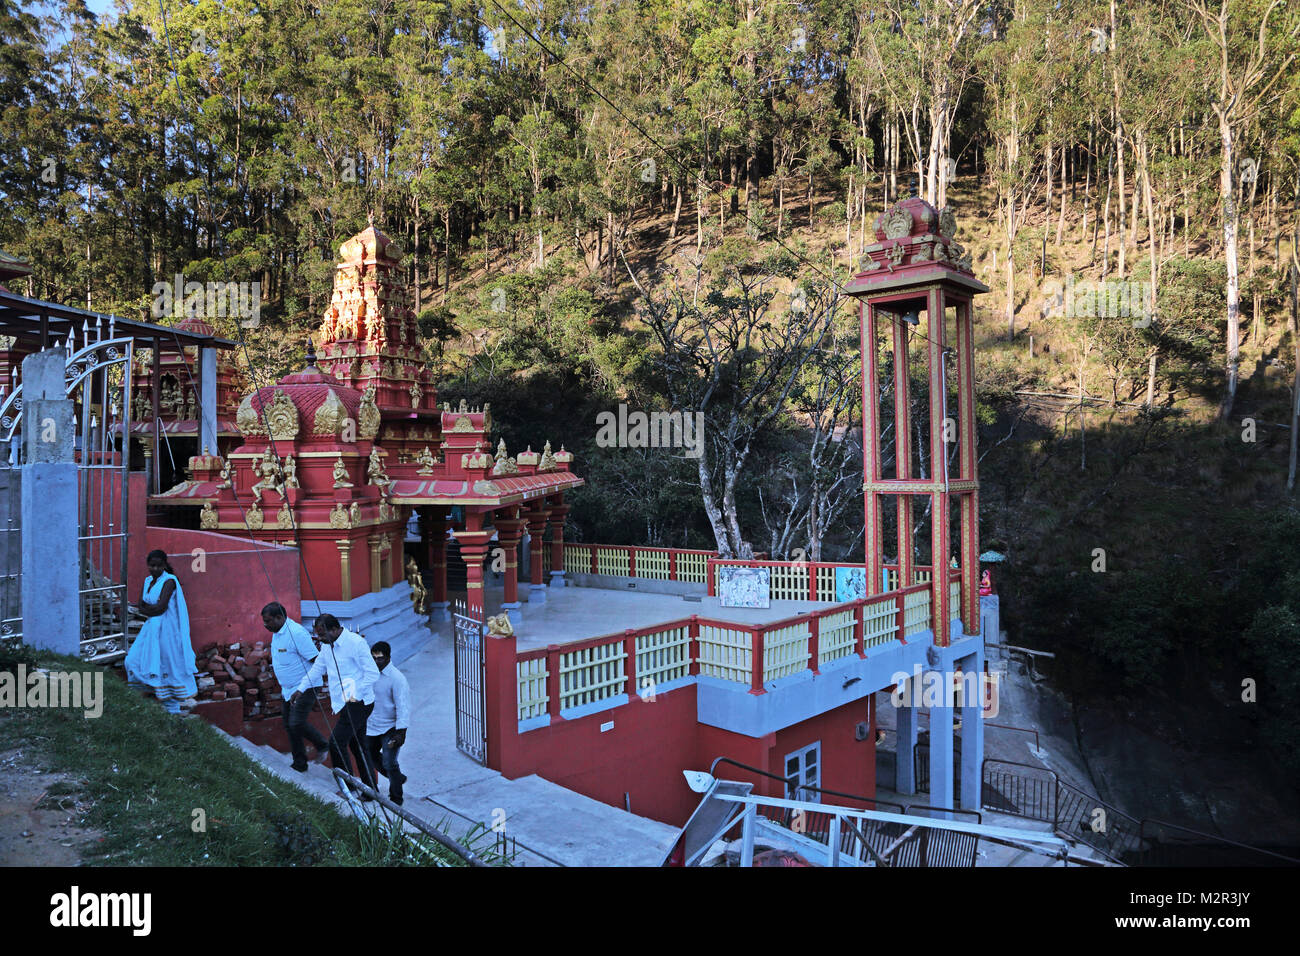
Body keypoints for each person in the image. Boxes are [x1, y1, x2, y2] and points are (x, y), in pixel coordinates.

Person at [290, 614, 379, 795]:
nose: (320, 639)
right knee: (357, 745)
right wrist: (300, 689)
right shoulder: (326, 646)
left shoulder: (355, 643)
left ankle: (348, 786)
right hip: (343, 702)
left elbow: (373, 674)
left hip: (358, 701)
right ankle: (370, 790)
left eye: (322, 635)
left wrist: (354, 694)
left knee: (336, 743)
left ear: (334, 630)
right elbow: (317, 669)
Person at [124, 549, 197, 714]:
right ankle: (143, 696)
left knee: (166, 667)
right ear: (147, 565)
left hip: (167, 632)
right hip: (150, 630)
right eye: (152, 565)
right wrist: (149, 609)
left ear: (165, 565)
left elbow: (159, 608)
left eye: (158, 566)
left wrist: (147, 609)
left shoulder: (169, 581)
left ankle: (173, 710)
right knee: (132, 660)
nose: (155, 569)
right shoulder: (148, 580)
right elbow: (141, 605)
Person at [262, 601, 329, 773]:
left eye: (268, 621)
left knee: (296, 722)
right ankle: (299, 763)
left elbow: (316, 660)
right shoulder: (277, 632)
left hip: (305, 686)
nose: (265, 625)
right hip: (288, 689)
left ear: (279, 617)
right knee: (289, 725)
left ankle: (322, 744)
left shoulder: (296, 633)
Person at [365, 642, 410, 805]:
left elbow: (403, 706)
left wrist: (401, 732)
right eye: (373, 658)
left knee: (389, 763)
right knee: (369, 757)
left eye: (380, 659)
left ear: (389, 658)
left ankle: (396, 797)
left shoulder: (397, 678)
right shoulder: (368, 673)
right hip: (371, 725)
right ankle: (395, 779)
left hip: (391, 727)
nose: (376, 662)